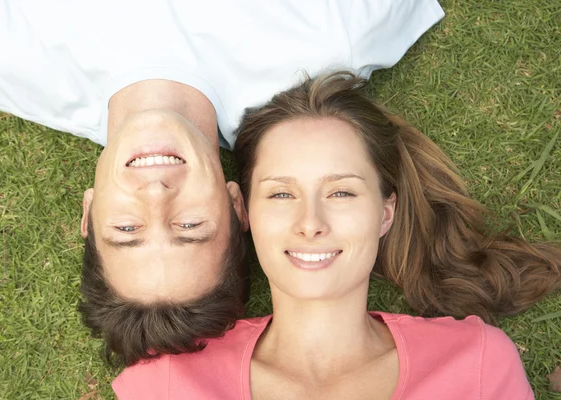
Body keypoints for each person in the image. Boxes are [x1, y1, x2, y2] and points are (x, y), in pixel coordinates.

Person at [0, 0, 445, 365]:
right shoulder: (334, 33)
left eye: (127, 230)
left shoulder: (1, 60)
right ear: (238, 207)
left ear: (88, 213)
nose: (156, 195)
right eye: (190, 225)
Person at [112, 72, 561, 399]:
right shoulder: (166, 382)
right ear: (244, 212)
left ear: (386, 212)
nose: (311, 222)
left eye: (342, 191)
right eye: (282, 193)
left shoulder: (477, 364)